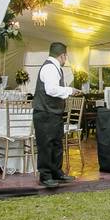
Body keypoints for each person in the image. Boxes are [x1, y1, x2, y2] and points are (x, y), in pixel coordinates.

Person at [32, 42, 81, 187]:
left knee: (56, 143)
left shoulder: (54, 67)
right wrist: (70, 91)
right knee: (46, 145)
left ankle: (56, 172)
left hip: (53, 113)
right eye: (66, 56)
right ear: (63, 55)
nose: (66, 58)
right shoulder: (49, 68)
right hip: (45, 112)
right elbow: (51, 90)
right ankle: (45, 176)